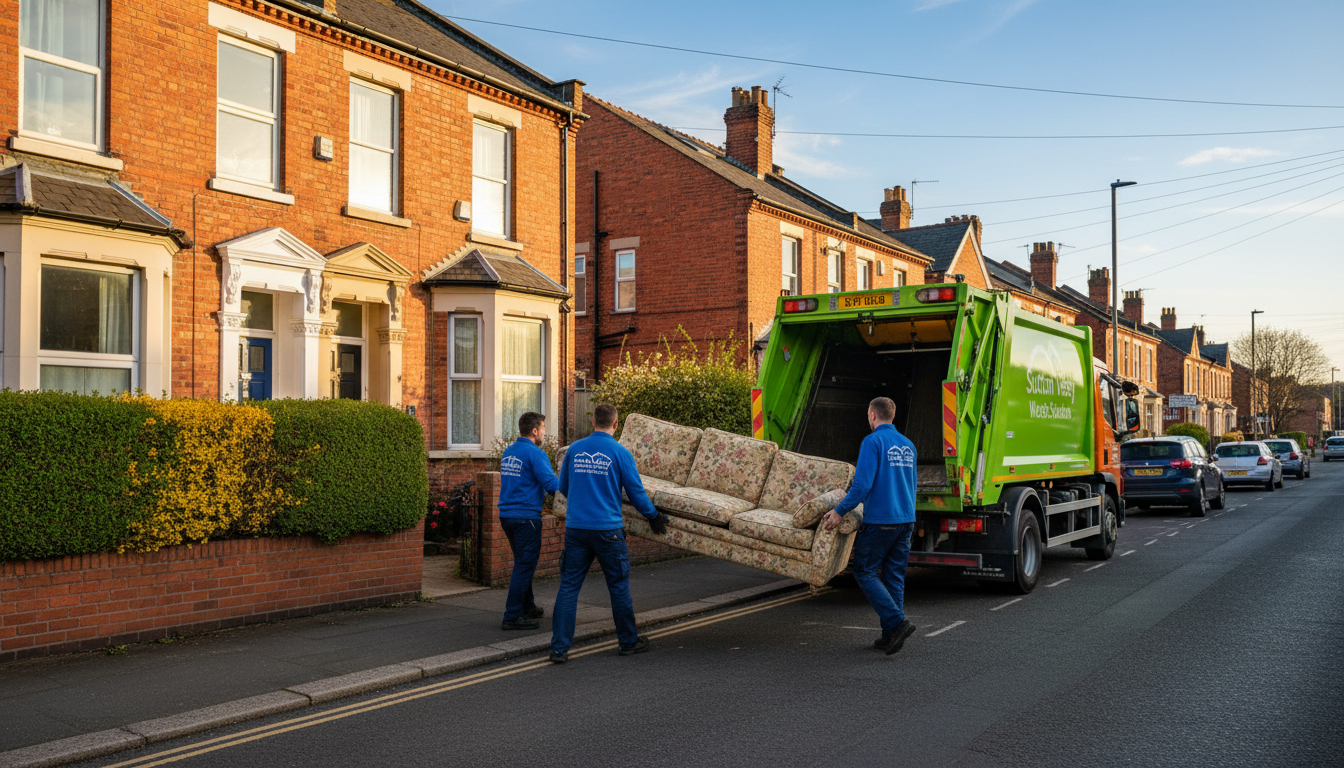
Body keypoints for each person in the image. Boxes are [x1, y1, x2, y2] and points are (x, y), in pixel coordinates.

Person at [549, 403, 668, 663]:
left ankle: (559, 648)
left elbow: (563, 487)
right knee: (618, 587)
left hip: (577, 529)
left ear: (593, 422)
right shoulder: (620, 452)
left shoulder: (574, 450)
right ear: (616, 424)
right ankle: (628, 642)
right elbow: (636, 492)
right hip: (608, 531)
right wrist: (653, 516)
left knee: (569, 587)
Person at [823, 396, 918, 655]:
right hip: (906, 519)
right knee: (894, 577)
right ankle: (891, 636)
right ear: (892, 415)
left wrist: (839, 511)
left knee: (864, 571)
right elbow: (912, 484)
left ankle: (897, 622)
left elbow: (862, 485)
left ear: (872, 415)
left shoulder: (872, 441)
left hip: (881, 521)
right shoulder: (909, 445)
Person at [497, 411, 560, 631]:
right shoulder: (536, 454)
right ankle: (512, 616)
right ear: (534, 431)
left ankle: (528, 606)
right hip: (526, 518)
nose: (544, 432)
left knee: (523, 562)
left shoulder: (509, 452)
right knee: (525, 565)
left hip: (507, 515)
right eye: (543, 428)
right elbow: (552, 485)